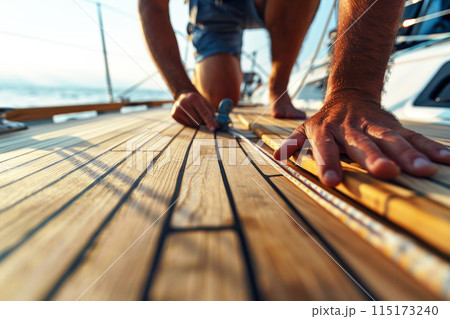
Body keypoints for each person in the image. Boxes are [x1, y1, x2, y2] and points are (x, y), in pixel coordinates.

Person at [139, 0, 450, 187]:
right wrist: (182, 89)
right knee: (222, 94)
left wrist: (353, 90)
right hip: (213, 5)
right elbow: (152, 5)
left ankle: (279, 88)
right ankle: (208, 73)